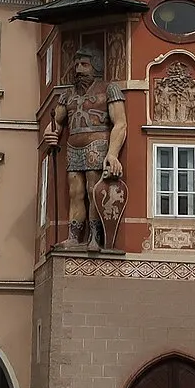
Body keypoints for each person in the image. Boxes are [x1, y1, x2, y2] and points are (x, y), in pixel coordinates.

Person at [40, 47, 126, 247]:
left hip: (97, 143)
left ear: (95, 67)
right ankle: (73, 236)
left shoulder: (109, 88)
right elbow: (57, 122)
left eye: (84, 65)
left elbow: (120, 123)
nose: (79, 69)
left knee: (92, 190)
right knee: (75, 192)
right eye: (77, 65)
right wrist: (50, 133)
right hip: (73, 145)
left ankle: (95, 237)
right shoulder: (67, 95)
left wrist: (112, 154)